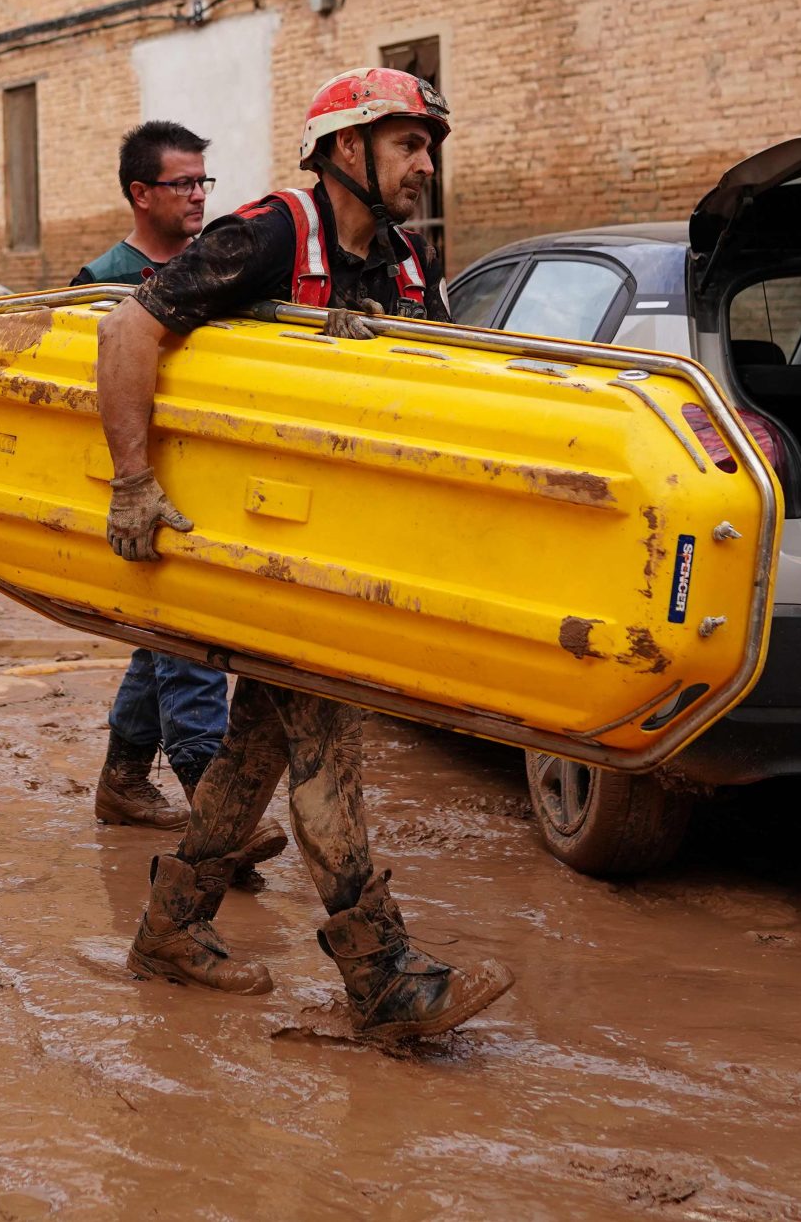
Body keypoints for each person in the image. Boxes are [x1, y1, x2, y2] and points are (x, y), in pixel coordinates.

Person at [95, 66, 513, 1043]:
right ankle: (383, 975)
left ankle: (169, 928)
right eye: (407, 143)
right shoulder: (267, 234)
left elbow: (451, 390)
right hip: (251, 540)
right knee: (325, 737)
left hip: (337, 543)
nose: (424, 164)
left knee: (259, 743)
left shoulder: (407, 265)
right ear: (345, 149)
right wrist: (131, 482)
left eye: (427, 146)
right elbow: (128, 328)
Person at [71, 120, 234, 834]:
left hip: (211, 479)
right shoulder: (98, 283)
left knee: (161, 635)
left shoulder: (220, 264)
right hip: (139, 483)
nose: (198, 196)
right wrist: (124, 482)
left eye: (204, 181)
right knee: (185, 630)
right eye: (183, 183)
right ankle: (217, 804)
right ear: (141, 193)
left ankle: (123, 781)